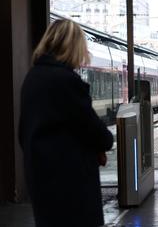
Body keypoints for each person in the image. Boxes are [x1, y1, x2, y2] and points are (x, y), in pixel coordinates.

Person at [19, 19, 114, 227]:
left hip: (40, 180)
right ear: (73, 47)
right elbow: (98, 134)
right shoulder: (67, 81)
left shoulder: (32, 78)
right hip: (70, 187)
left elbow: (23, 133)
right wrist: (102, 143)